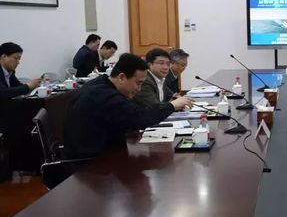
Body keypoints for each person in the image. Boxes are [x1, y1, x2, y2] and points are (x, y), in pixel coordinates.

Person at [63, 53, 193, 160]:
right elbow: (141, 117)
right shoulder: (106, 97)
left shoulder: (101, 84)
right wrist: (171, 106)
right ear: (121, 77)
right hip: (91, 164)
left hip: (101, 153)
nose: (139, 89)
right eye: (138, 83)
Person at [0, 43, 42, 132]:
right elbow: (4, 93)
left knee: (30, 114)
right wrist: (28, 86)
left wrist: (35, 86)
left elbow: (18, 87)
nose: (18, 62)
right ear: (4, 57)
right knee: (25, 120)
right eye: (16, 58)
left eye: (19, 59)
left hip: (4, 111)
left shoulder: (9, 72)